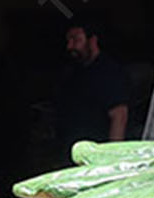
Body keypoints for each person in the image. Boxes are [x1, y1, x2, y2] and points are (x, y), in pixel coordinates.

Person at [55, 19, 130, 153]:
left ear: (92, 41)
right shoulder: (73, 74)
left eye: (76, 40)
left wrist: (112, 156)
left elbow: (119, 115)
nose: (70, 46)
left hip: (97, 153)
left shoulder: (108, 72)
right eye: (68, 41)